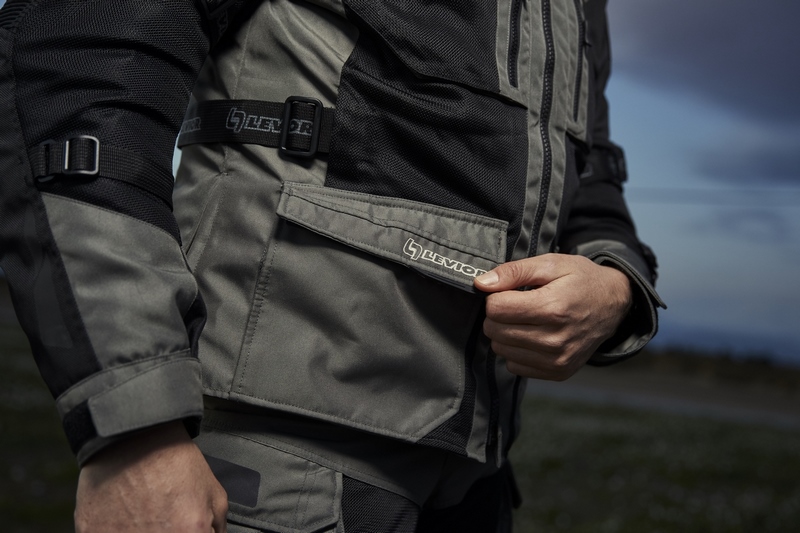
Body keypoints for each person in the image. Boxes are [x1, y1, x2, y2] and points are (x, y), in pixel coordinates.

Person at [0, 0, 664, 531]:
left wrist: (615, 288)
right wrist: (135, 432)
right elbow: (79, 66)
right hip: (273, 465)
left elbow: (591, 184)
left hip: (476, 483)